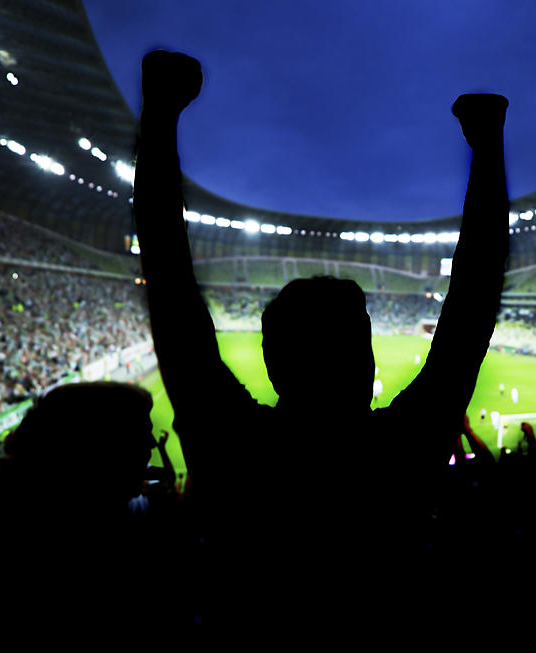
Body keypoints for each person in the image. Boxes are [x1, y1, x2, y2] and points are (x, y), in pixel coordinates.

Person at [133, 50, 508, 587]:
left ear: (270, 360)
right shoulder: (405, 447)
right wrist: (488, 146)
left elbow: (169, 290)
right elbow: (473, 305)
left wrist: (162, 112)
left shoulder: (232, 444)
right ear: (367, 357)